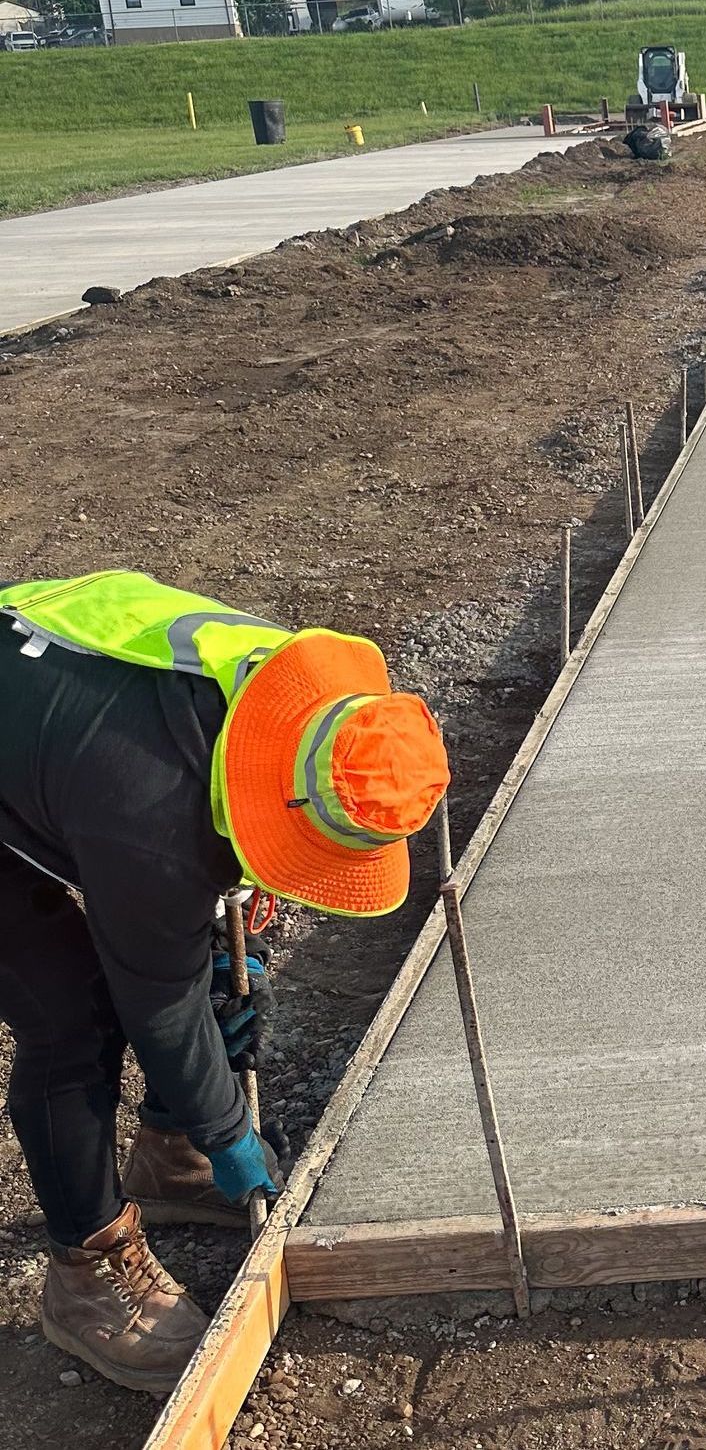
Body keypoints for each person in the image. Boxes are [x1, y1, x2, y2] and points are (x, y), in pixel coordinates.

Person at [0, 570, 449, 1393]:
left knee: (204, 951)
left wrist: (230, 913)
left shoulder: (286, 692)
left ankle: (170, 1159)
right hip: (66, 758)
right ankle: (86, 1272)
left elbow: (211, 860)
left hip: (50, 712)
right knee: (72, 1014)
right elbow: (157, 1000)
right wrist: (228, 1127)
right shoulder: (151, 819)